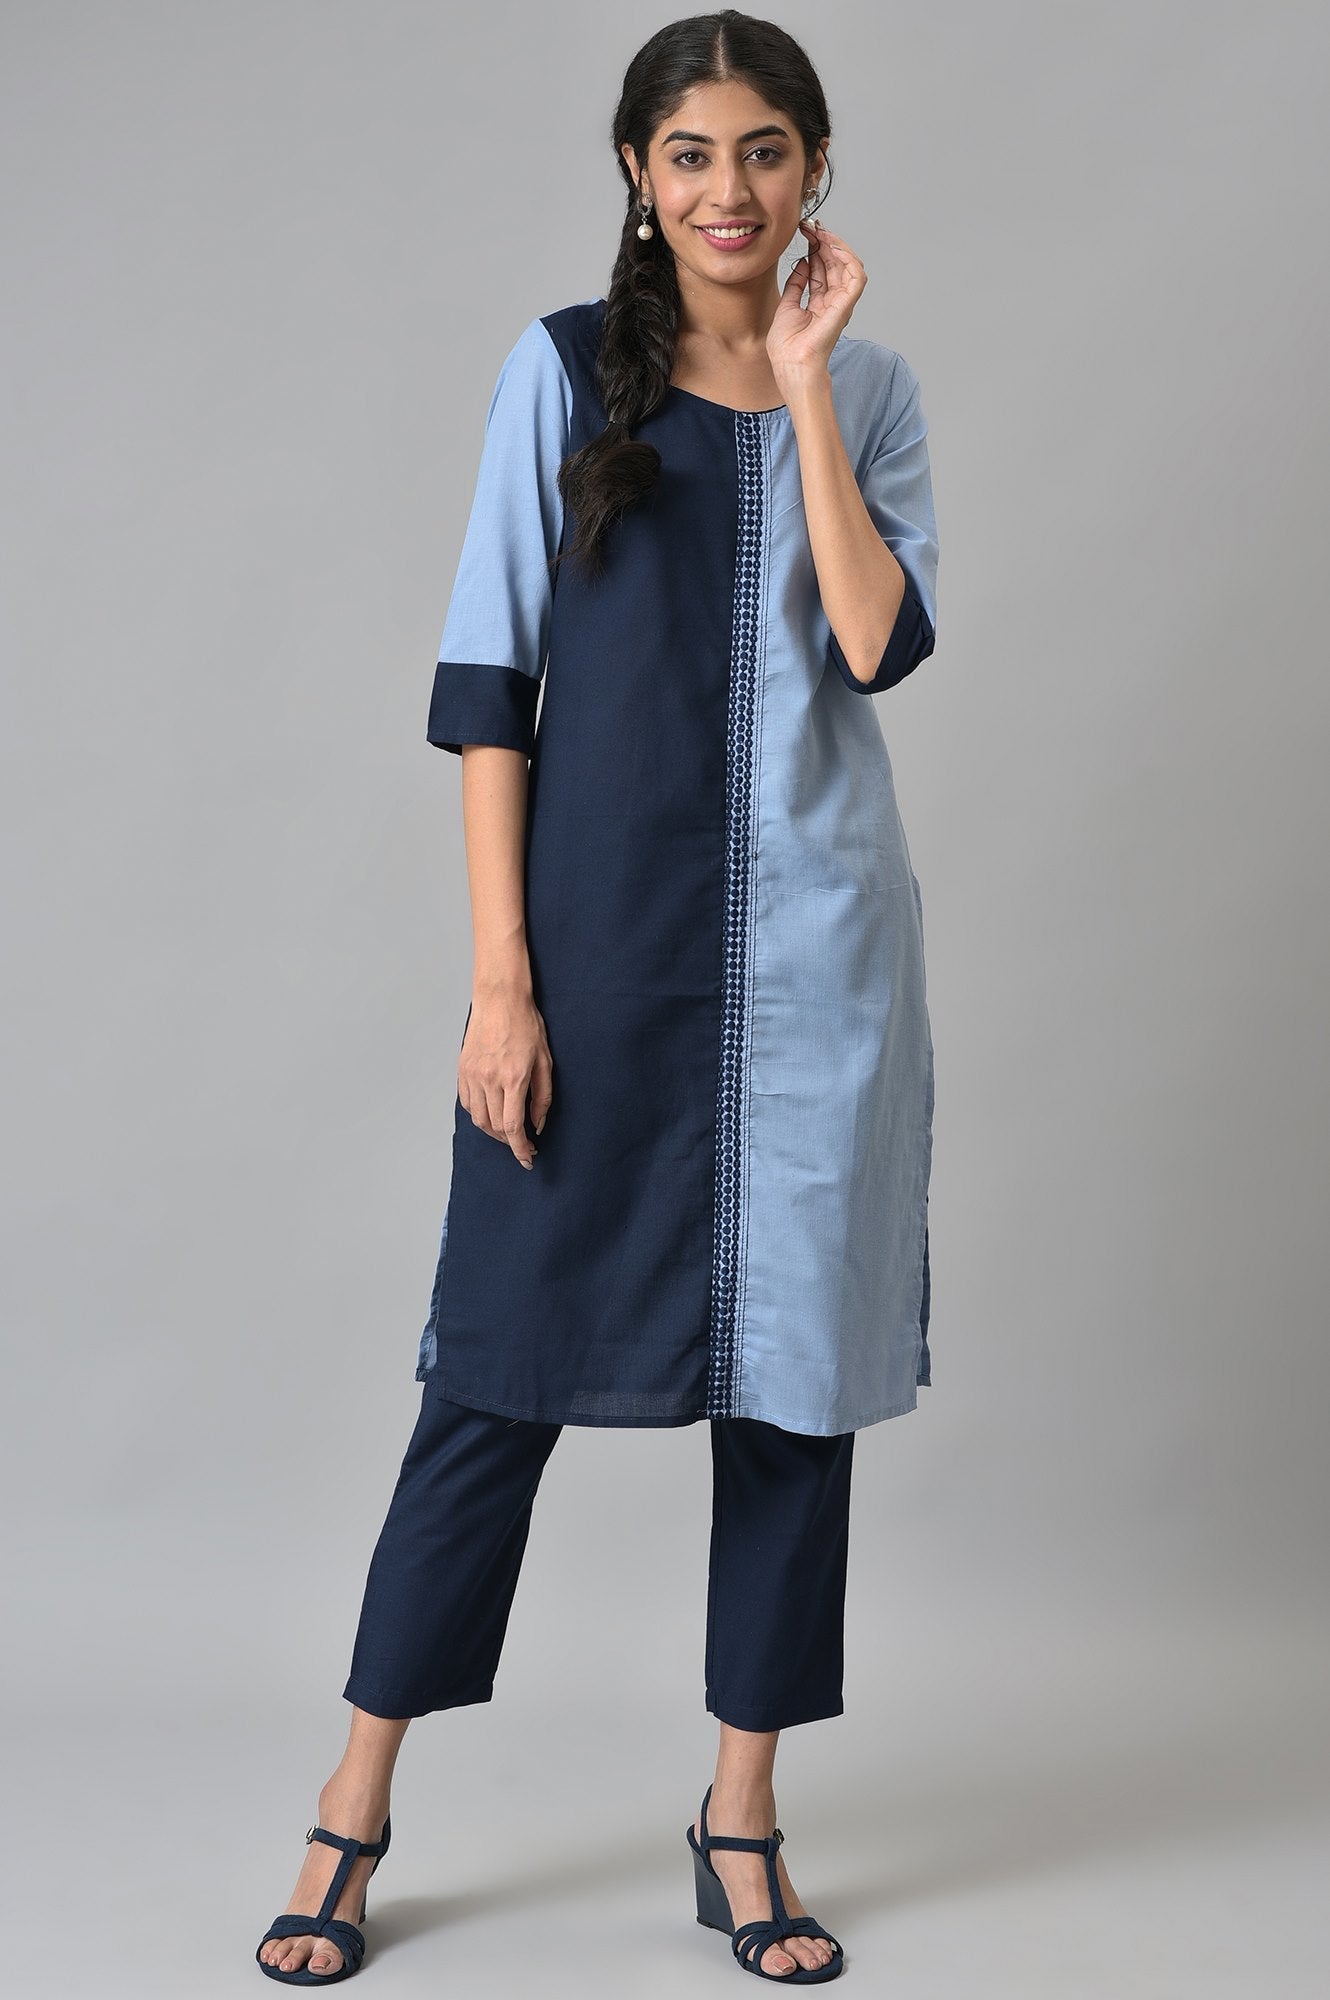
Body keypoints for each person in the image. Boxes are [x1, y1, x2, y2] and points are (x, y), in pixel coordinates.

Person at [256, 8, 940, 1985]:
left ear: (814, 169)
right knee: (490, 1379)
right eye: (690, 153)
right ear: (638, 175)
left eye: (765, 151)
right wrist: (501, 979)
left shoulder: (873, 388)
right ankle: (351, 1803)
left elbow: (877, 645)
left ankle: (742, 1817)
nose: (729, 189)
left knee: (789, 1404)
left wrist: (802, 390)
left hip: (814, 976)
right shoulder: (560, 373)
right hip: (595, 960)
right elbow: (491, 684)